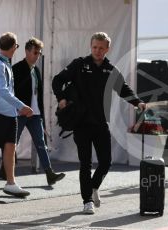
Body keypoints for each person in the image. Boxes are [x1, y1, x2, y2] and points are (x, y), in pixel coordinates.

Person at [52, 32, 146, 214]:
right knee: (85, 163)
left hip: (101, 122)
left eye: (101, 48)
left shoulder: (111, 70)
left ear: (107, 49)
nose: (97, 51)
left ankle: (94, 187)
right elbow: (58, 80)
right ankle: (87, 200)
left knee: (106, 162)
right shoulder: (79, 64)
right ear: (91, 46)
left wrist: (137, 102)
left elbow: (123, 88)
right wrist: (61, 98)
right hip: (81, 122)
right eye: (95, 47)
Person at [10, 37, 65, 185]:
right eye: (35, 52)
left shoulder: (37, 70)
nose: (37, 55)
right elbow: (11, 92)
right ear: (27, 51)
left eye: (39, 53)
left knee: (41, 143)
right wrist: (18, 108)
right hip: (21, 113)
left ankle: (49, 173)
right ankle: (6, 172)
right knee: (12, 143)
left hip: (35, 114)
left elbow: (38, 95)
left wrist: (41, 116)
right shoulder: (16, 68)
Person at [0, 32, 33, 197]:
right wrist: (21, 106)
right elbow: (2, 90)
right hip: (0, 113)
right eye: (17, 45)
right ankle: (10, 182)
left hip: (10, 113)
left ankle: (11, 183)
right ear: (14, 47)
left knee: (10, 147)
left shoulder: (5, 62)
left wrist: (17, 108)